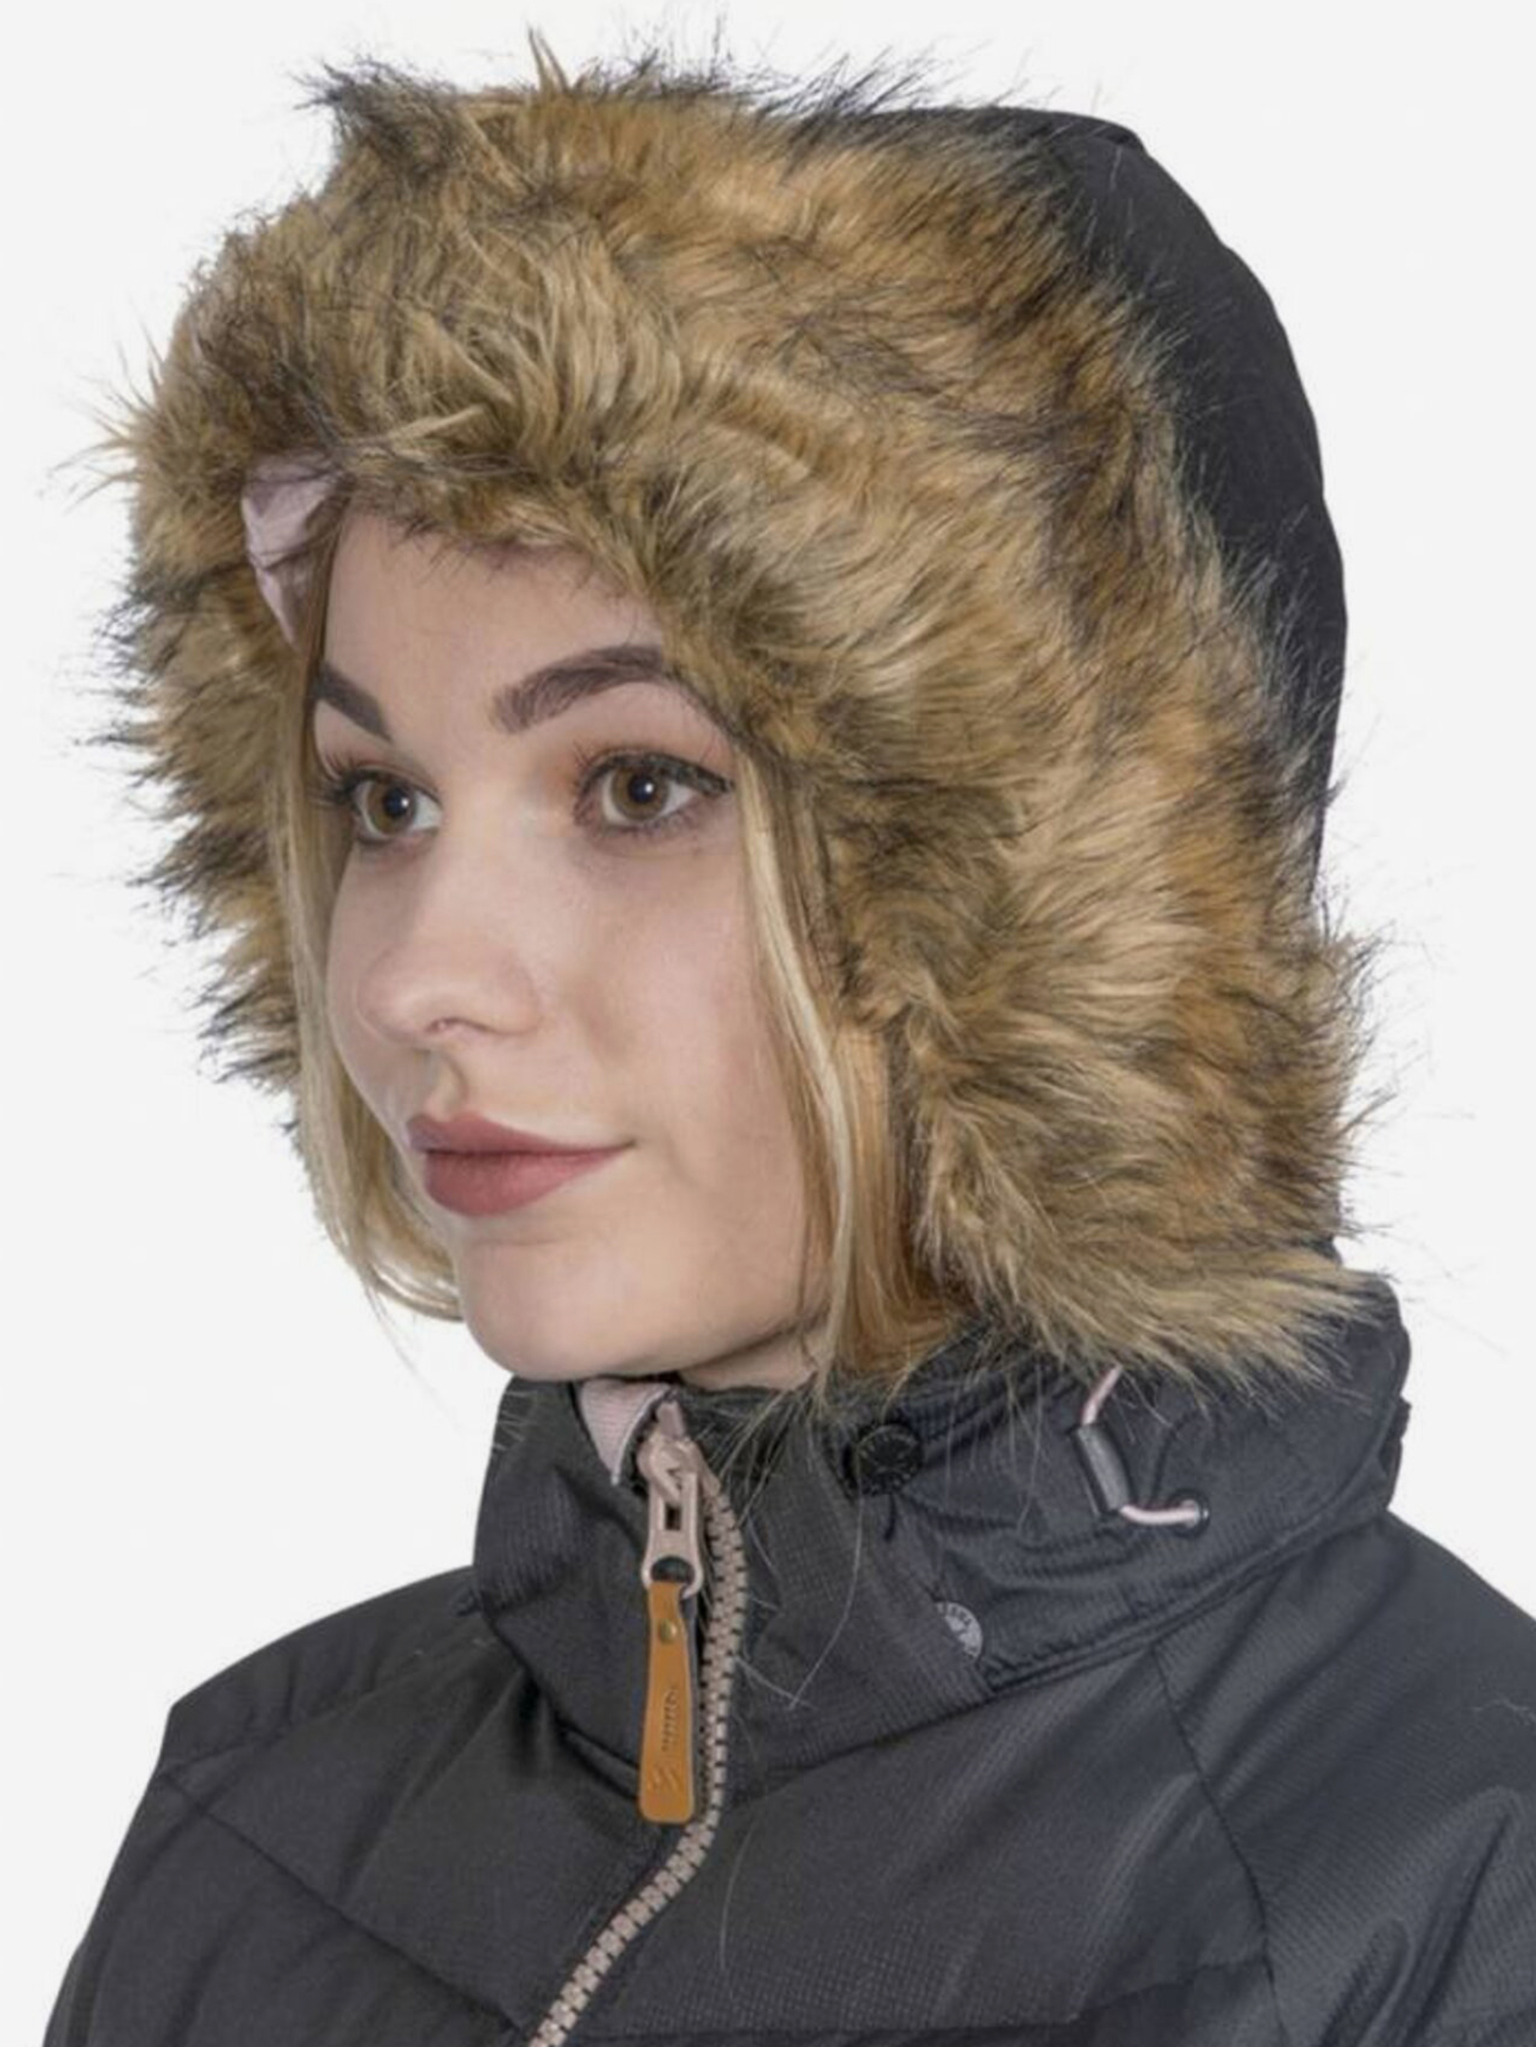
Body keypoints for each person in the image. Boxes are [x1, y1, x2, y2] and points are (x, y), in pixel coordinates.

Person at [42, 32, 1536, 2048]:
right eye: (382, 801)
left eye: (639, 786)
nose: (409, 981)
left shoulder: (1446, 1905)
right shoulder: (259, 1829)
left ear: (1039, 909)